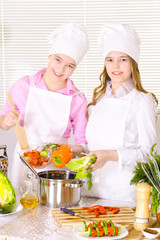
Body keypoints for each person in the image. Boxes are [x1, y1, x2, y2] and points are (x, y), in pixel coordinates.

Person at [0, 22, 89, 188]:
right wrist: (6, 121)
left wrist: (63, 152)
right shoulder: (24, 85)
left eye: (69, 65)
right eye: (57, 59)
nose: (61, 68)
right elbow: (3, 120)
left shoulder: (77, 100)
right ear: (49, 56)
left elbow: (83, 146)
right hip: (23, 161)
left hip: (56, 167)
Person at [84, 22, 158, 203]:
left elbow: (149, 155)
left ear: (133, 63)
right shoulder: (97, 102)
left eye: (123, 59)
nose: (115, 65)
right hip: (91, 192)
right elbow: (94, 147)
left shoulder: (143, 101)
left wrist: (110, 155)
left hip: (125, 196)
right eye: (110, 59)